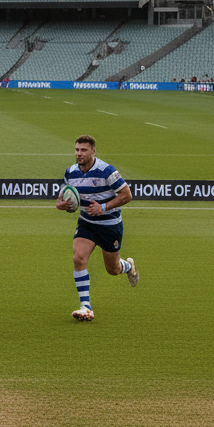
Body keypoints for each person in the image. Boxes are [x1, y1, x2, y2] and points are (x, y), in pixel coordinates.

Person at [55, 134, 137, 321]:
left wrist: (104, 207)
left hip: (110, 225)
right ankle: (86, 307)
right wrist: (61, 205)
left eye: (84, 150)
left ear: (93, 151)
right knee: (78, 258)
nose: (79, 154)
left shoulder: (107, 171)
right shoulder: (71, 172)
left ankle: (128, 266)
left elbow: (127, 195)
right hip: (87, 223)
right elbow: (64, 199)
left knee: (113, 269)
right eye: (77, 150)